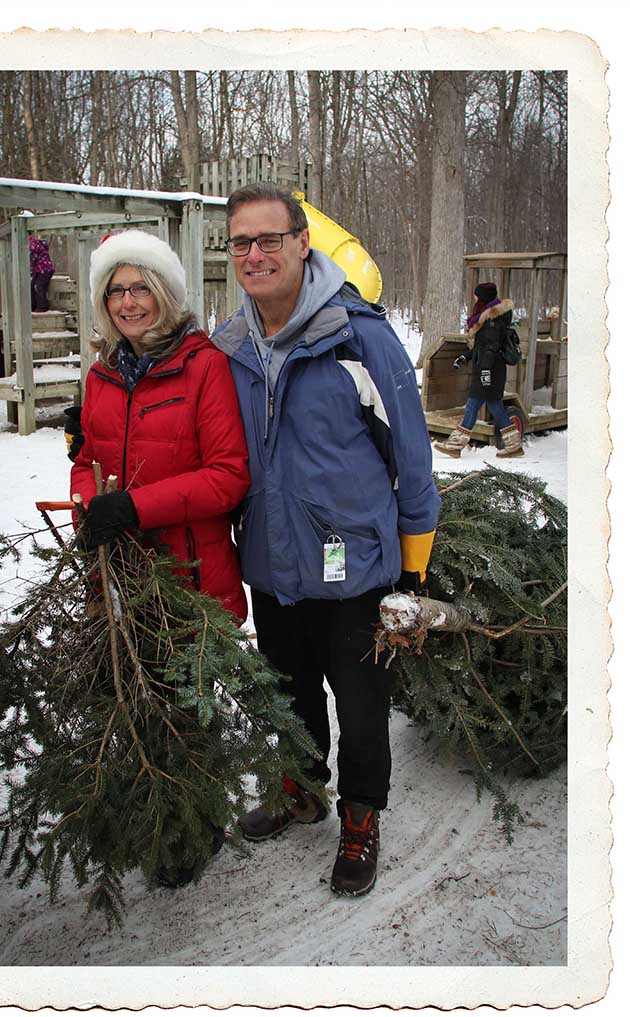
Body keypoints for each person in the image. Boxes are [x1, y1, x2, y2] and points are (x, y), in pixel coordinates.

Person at [212, 183, 440, 897]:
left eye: (269, 239)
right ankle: (301, 789)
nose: (255, 254)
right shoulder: (229, 346)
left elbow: (413, 458)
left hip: (359, 571)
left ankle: (361, 815)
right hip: (274, 563)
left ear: (302, 242)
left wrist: (414, 575)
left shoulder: (361, 337)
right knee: (288, 690)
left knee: (361, 706)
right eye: (241, 242)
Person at [71, 229, 251, 884]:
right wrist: (89, 505)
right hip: (121, 578)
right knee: (136, 705)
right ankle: (150, 814)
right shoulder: (100, 372)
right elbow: (85, 460)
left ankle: (192, 830)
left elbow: (229, 475)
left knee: (183, 715)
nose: (127, 301)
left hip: (190, 580)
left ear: (165, 292)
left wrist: (136, 508)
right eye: (115, 290)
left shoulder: (203, 366)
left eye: (139, 286)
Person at [435, 282, 523, 458]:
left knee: (474, 406)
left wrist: (484, 372)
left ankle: (455, 445)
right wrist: (465, 357)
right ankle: (513, 445)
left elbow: (490, 349)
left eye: (477, 296)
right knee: (492, 406)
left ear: (483, 298)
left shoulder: (492, 321)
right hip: (490, 370)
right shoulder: (489, 319)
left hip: (489, 371)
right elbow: (482, 348)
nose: (475, 298)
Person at [29, 229, 55, 312]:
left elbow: (33, 258)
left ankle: (42, 306)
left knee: (39, 286)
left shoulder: (32, 245)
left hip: (44, 269)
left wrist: (30, 266)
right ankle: (33, 305)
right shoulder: (36, 243)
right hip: (40, 269)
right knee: (32, 285)